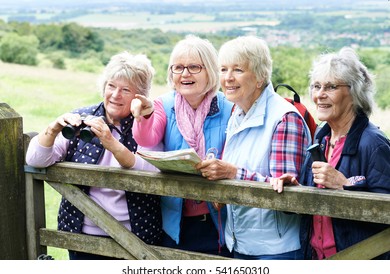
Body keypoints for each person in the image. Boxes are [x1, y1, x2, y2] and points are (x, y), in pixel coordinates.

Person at [25, 51, 163, 260]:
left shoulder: (147, 126)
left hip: (137, 237)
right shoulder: (84, 118)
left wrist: (111, 143)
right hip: (83, 236)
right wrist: (52, 130)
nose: (115, 95)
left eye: (125, 90)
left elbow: (154, 170)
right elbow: (35, 161)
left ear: (139, 96)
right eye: (111, 86)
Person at [196, 35, 311, 260]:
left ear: (260, 77)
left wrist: (232, 173)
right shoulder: (236, 113)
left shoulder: (284, 119)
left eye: (238, 70)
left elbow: (286, 195)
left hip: (276, 249)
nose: (227, 78)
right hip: (239, 243)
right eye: (223, 69)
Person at [270, 47, 390, 259]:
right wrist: (296, 189)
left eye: (331, 87)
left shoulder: (374, 144)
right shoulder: (320, 140)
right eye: (316, 86)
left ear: (354, 93)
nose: (319, 95)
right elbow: (315, 199)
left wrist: (345, 185)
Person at [131, 34, 233, 257]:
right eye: (178, 68)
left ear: (210, 71)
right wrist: (145, 115)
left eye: (194, 67)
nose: (185, 74)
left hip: (219, 220)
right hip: (175, 220)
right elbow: (146, 139)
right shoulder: (163, 104)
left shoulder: (229, 107)